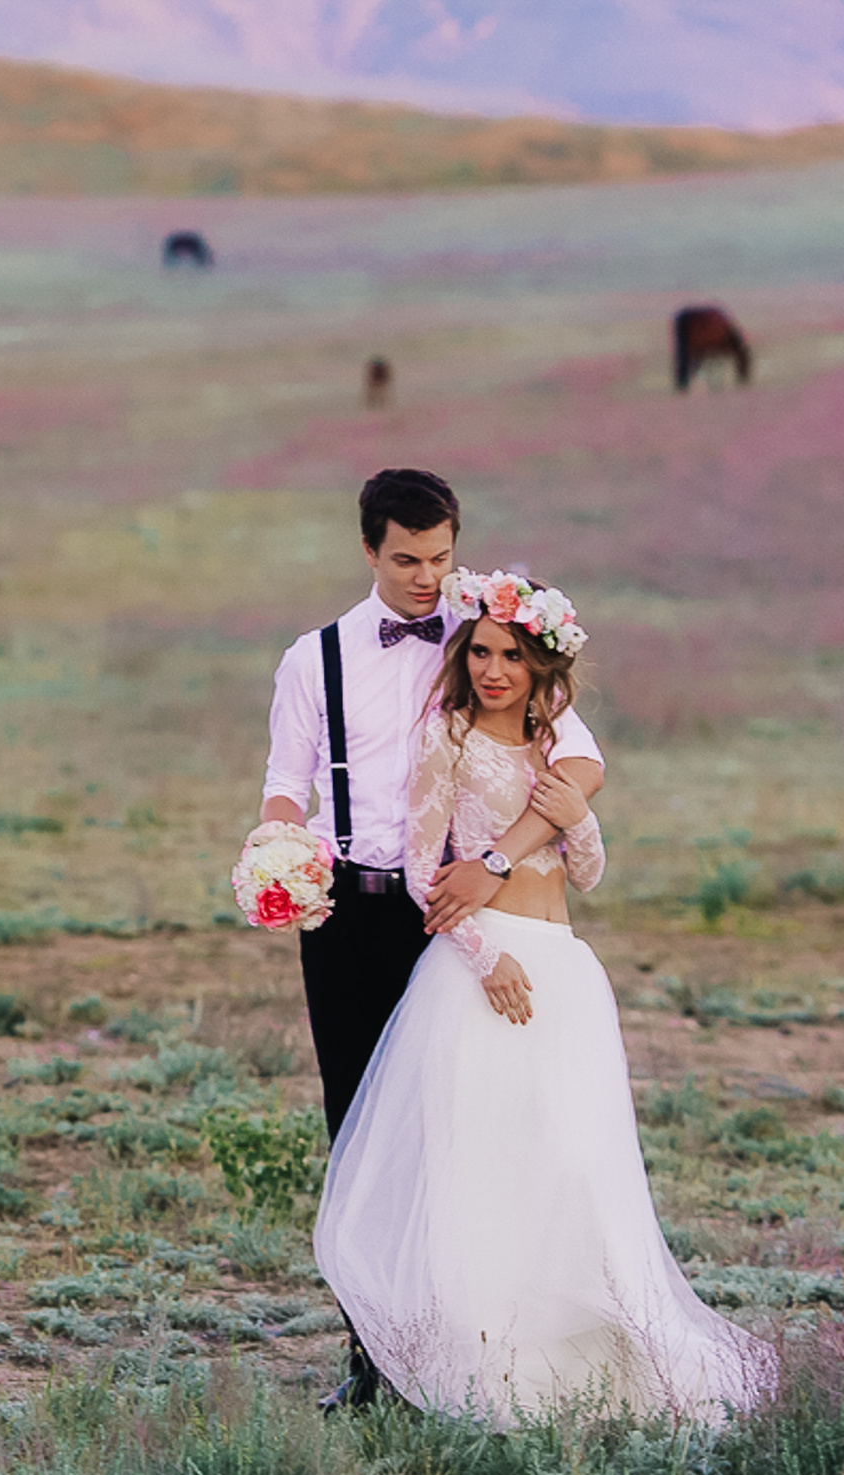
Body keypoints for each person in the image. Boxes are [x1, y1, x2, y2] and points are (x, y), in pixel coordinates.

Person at [311, 568, 774, 1426]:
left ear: (540, 669)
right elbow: (424, 871)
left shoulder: (554, 746)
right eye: (481, 652)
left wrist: (575, 816)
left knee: (573, 1164)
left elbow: (588, 874)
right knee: (488, 1168)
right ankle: (483, 1366)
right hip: (482, 974)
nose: (492, 670)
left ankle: (591, 1363)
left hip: (563, 966)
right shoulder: (447, 738)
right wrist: (485, 957)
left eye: (511, 656)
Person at [260, 469, 607, 1410]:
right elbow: (287, 783)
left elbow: (578, 759)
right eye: (406, 559)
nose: (426, 578)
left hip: (459, 911)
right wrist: (275, 846)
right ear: (368, 550)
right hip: (346, 914)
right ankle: (375, 1361)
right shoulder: (314, 658)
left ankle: (471, 1348)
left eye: (440, 558)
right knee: (358, 1132)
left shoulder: (487, 636)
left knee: (463, 1131)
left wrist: (493, 864)